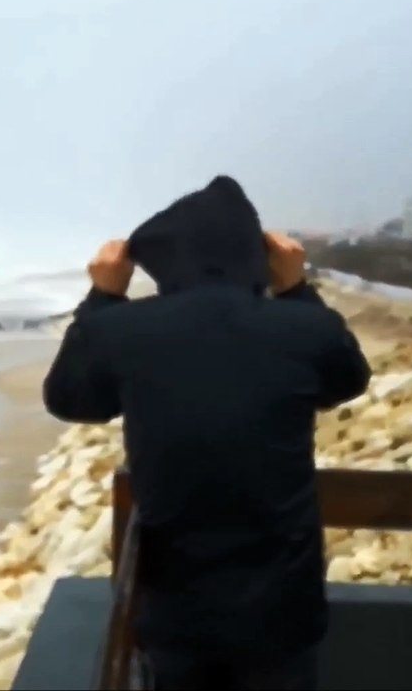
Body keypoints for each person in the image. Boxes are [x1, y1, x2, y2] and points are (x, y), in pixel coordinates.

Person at [43, 175, 370, 690]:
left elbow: (71, 401)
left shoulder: (122, 331)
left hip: (175, 605)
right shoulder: (307, 327)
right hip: (283, 605)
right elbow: (346, 381)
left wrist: (104, 297)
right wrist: (296, 289)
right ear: (257, 255)